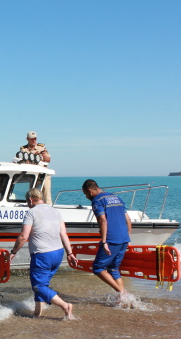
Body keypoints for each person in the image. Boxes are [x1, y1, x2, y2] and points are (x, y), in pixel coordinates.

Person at [9, 188, 77, 320]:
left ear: (30, 199)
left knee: (38, 285)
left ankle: (65, 306)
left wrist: (13, 252)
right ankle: (37, 314)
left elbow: (23, 236)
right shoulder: (56, 211)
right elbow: (63, 233)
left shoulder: (31, 212)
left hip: (42, 255)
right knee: (42, 285)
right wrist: (70, 253)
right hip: (58, 253)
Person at [82, 179, 132, 295]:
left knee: (98, 268)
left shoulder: (97, 200)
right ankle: (122, 299)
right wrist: (128, 237)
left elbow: (102, 219)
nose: (86, 197)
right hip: (124, 238)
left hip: (111, 239)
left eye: (85, 194)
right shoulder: (116, 197)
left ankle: (122, 293)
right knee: (114, 269)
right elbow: (128, 220)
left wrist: (104, 242)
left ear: (90, 191)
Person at [15, 131, 52, 202]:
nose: (34, 140)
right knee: (33, 194)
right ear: (27, 139)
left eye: (35, 138)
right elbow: (24, 160)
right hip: (32, 174)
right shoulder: (24, 149)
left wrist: (42, 154)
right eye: (32, 139)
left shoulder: (41, 147)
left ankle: (48, 208)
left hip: (43, 173)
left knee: (46, 193)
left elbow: (48, 159)